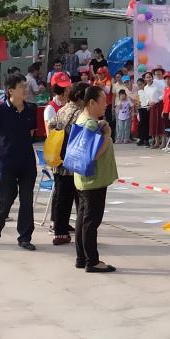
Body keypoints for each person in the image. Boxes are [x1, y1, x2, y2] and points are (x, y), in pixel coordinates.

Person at [0, 73, 38, 251]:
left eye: (25, 86)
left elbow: (31, 133)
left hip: (27, 162)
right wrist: (3, 150)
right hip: (7, 162)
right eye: (21, 86)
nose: (25, 89)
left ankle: (25, 237)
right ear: (10, 91)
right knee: (6, 197)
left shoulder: (31, 109)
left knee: (27, 199)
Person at [72, 85, 118, 272]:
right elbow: (93, 154)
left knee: (83, 219)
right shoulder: (89, 124)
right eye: (103, 101)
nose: (106, 104)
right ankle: (92, 261)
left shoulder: (84, 119)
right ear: (91, 102)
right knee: (91, 222)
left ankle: (81, 257)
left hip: (84, 179)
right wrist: (107, 135)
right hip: (94, 180)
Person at [48, 82, 89, 245]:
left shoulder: (62, 109)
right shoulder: (80, 113)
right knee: (82, 200)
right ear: (81, 97)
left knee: (61, 198)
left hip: (58, 160)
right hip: (75, 163)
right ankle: (83, 233)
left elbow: (50, 126)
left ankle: (60, 232)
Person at [149, 67, 167, 149]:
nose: (158, 74)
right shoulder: (153, 82)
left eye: (159, 72)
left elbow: (164, 93)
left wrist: (158, 100)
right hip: (153, 105)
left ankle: (163, 142)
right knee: (154, 123)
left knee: (161, 123)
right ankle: (156, 142)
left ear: (162, 73)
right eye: (156, 73)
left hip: (161, 104)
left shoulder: (164, 82)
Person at [136, 73, 152, 146]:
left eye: (141, 84)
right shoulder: (138, 91)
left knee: (146, 124)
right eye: (138, 85)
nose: (140, 86)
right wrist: (137, 107)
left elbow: (149, 98)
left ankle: (147, 140)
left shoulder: (146, 89)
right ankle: (141, 139)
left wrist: (148, 105)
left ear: (144, 83)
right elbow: (138, 100)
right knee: (141, 124)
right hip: (141, 109)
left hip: (146, 109)